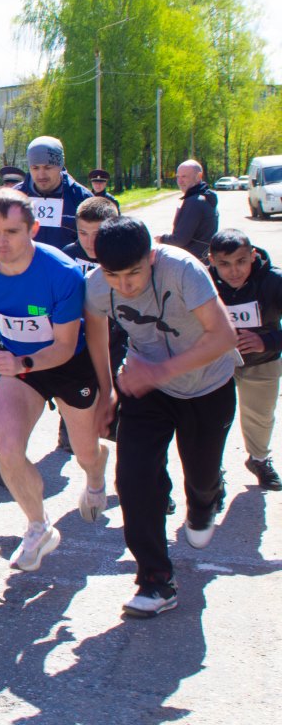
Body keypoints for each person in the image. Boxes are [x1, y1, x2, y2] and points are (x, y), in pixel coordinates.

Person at [0, 190, 109, 573]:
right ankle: (38, 526)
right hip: (20, 369)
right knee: (7, 449)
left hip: (67, 365)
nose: (2, 242)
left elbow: (65, 347)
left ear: (33, 229)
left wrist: (21, 361)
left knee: (85, 452)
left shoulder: (62, 273)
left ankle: (97, 474)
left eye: (12, 232)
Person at [85, 217, 238, 617]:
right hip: (145, 388)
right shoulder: (97, 284)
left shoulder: (183, 269)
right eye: (114, 275)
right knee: (134, 476)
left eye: (135, 272)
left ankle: (207, 499)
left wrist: (159, 372)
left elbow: (223, 336)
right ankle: (154, 581)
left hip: (208, 386)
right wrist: (108, 391)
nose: (126, 285)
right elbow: (96, 331)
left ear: (151, 257)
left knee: (201, 477)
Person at [207, 229, 282, 491]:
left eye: (241, 261)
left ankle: (259, 459)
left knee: (260, 416)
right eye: (224, 264)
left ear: (252, 256)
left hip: (263, 360)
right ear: (212, 261)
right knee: (210, 418)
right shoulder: (201, 280)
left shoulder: (274, 280)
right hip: (214, 361)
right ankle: (211, 470)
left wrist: (268, 341)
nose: (234, 271)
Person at [57, 196, 127, 453]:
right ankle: (68, 425)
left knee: (119, 406)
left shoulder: (123, 257)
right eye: (83, 233)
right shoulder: (67, 256)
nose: (89, 241)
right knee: (76, 392)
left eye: (96, 234)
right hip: (78, 338)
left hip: (116, 340)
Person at [14, 135, 92, 249]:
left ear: (60, 165)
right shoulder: (14, 197)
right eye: (35, 168)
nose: (41, 175)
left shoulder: (82, 198)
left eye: (48, 167)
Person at [157, 159, 219, 262]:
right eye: (178, 177)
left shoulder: (194, 202)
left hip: (192, 261)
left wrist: (162, 239)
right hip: (203, 258)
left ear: (198, 177)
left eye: (184, 176)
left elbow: (180, 240)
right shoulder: (206, 196)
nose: (180, 181)